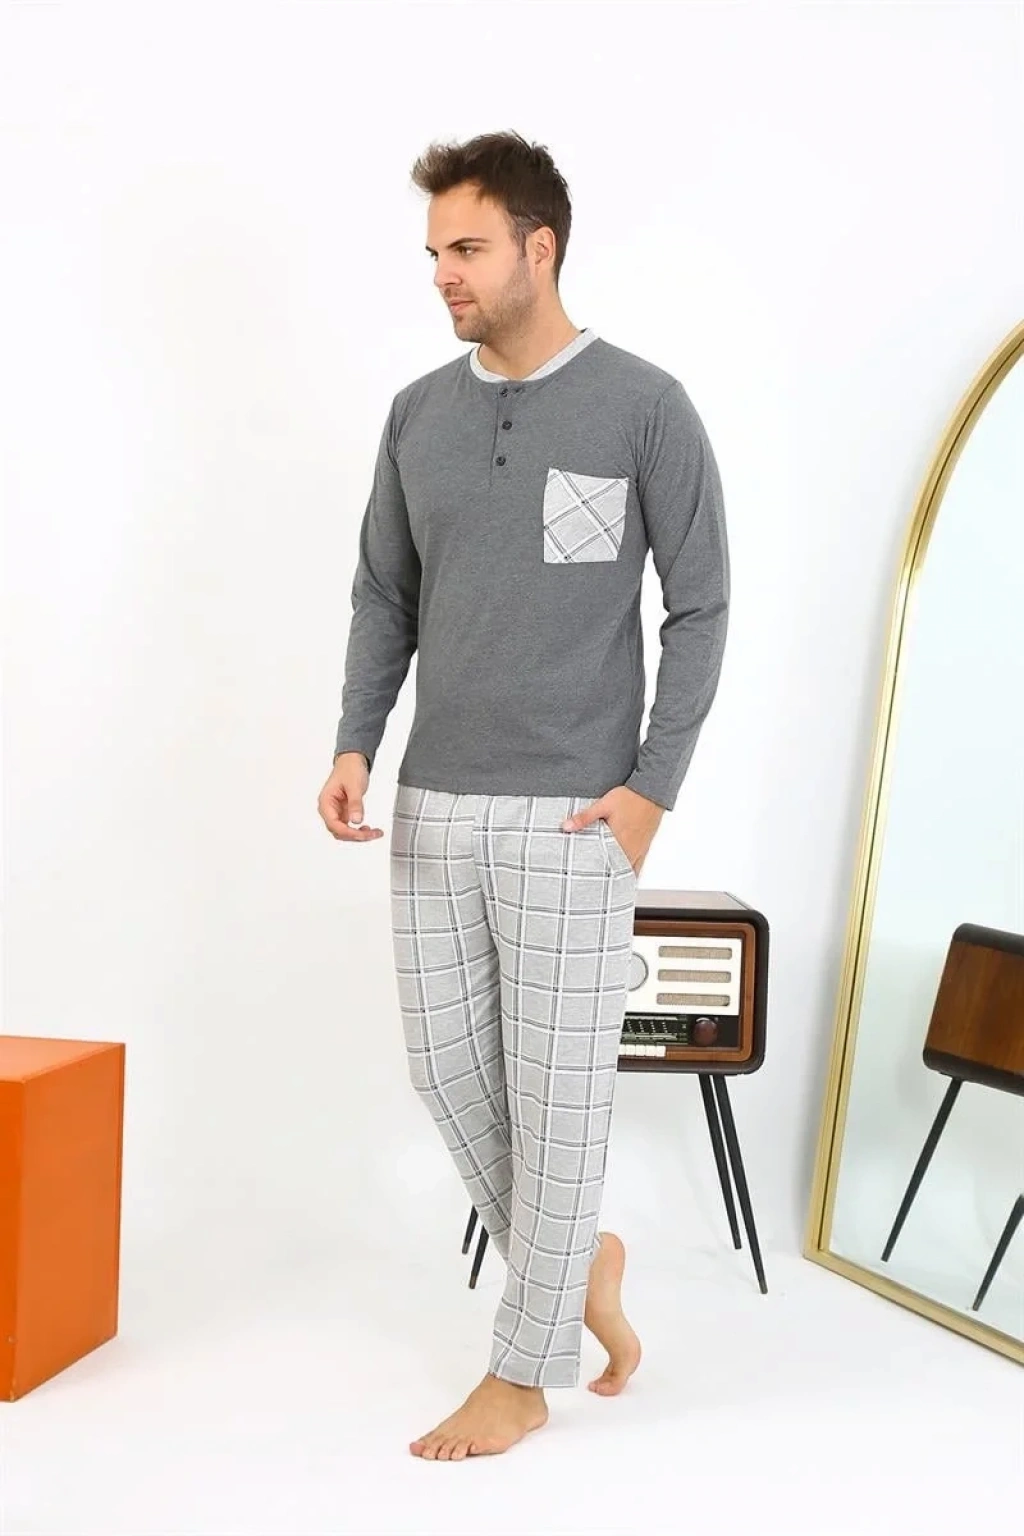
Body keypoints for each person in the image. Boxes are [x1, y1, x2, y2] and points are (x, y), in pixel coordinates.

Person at [317, 130, 730, 1460]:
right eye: (435, 250)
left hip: (574, 815)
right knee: (448, 1074)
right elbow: (385, 593)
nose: (443, 272)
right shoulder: (417, 415)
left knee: (558, 1104)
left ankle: (523, 1371)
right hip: (435, 804)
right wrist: (355, 743)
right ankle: (583, 1264)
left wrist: (651, 791)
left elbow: (702, 604)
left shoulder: (645, 405)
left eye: (468, 247)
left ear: (538, 249)